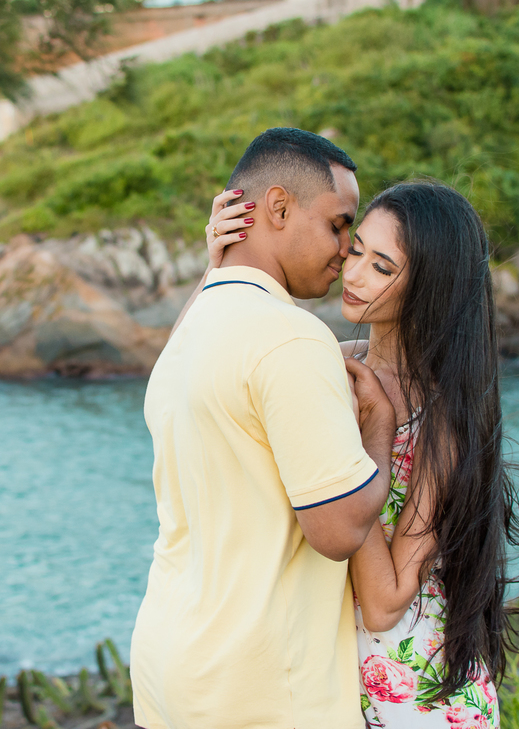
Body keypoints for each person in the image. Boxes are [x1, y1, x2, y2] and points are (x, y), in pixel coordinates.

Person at [205, 179, 519, 728]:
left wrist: (365, 440)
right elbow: (189, 374)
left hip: (416, 694)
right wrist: (220, 271)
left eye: (383, 267)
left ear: (429, 289)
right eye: (357, 249)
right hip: (329, 682)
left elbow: (386, 599)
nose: (354, 272)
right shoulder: (326, 359)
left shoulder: (441, 416)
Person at [130, 128, 399, 729]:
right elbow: (337, 529)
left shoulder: (187, 335)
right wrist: (378, 428)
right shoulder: (291, 336)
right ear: (278, 207)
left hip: (167, 665)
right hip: (261, 688)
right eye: (337, 224)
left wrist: (216, 262)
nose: (346, 249)